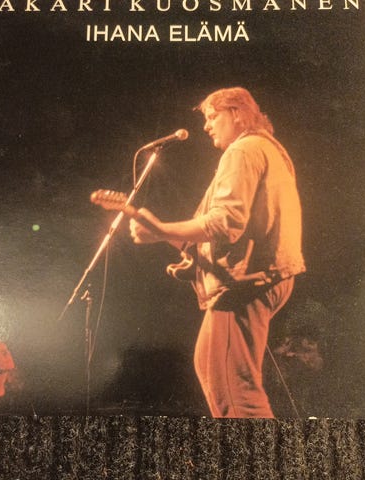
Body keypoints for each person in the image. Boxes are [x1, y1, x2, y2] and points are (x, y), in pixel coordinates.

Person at [129, 87, 305, 418]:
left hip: (248, 282)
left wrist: (162, 229)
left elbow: (226, 223)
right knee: (211, 366)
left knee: (235, 391)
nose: (206, 126)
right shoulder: (269, 150)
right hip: (265, 275)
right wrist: (160, 234)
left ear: (237, 114)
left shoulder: (242, 151)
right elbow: (228, 234)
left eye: (212, 116)